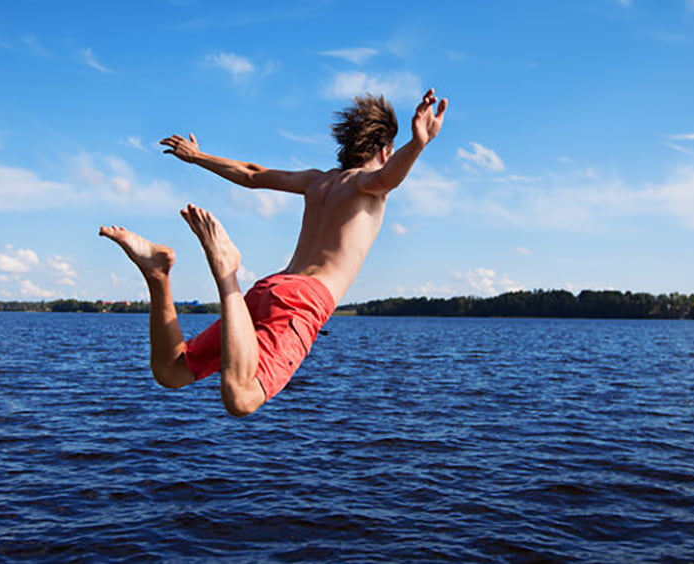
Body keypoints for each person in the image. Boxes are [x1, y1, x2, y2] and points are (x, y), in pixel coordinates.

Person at [99, 89, 448, 416]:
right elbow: (390, 178)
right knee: (242, 397)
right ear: (385, 150)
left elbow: (253, 175)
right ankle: (226, 271)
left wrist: (198, 157)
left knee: (172, 370)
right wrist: (418, 144)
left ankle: (158, 274)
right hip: (305, 299)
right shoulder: (366, 185)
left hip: (269, 289)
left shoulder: (316, 181)